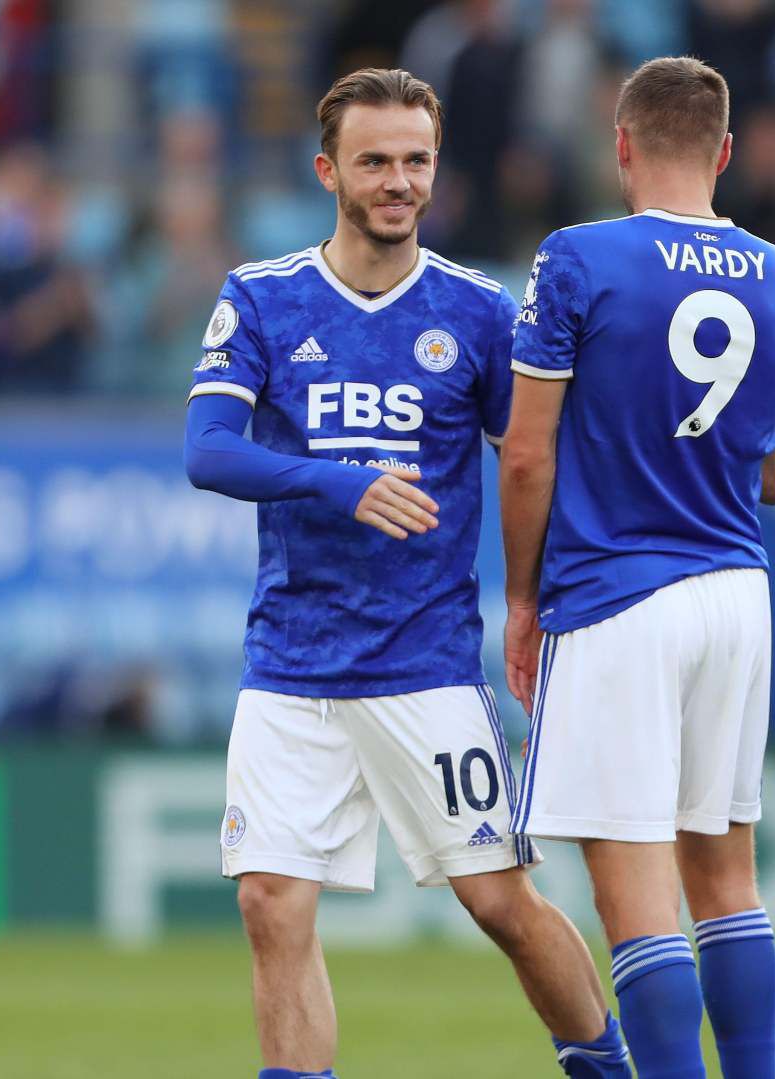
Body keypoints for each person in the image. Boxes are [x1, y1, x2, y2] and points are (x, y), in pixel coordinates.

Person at [182, 69, 629, 1079]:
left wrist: (552, 597)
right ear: (327, 168)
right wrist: (337, 482)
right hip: (291, 661)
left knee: (501, 902)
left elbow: (535, 458)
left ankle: (611, 1069)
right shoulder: (263, 294)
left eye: (415, 160)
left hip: (424, 661)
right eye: (376, 160)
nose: (398, 180)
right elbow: (209, 450)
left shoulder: (476, 310)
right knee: (269, 901)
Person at [500, 57, 775, 1079]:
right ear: (724, 152)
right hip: (735, 587)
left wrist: (519, 596)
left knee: (637, 895)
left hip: (615, 593)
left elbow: (527, 452)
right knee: (728, 877)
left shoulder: (578, 257)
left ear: (622, 143)